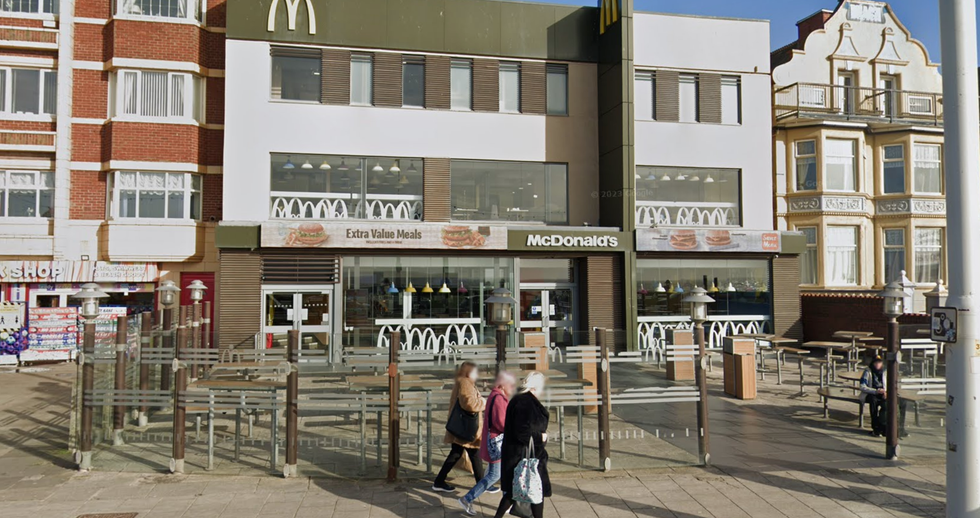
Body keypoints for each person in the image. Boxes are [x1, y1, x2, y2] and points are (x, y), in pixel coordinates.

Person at [493, 371, 551, 518]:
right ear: (535, 387)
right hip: (524, 456)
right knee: (535, 490)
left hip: (520, 455)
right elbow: (522, 432)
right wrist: (540, 437)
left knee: (516, 491)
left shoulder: (522, 400)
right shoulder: (525, 403)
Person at [458, 371, 517, 515]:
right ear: (502, 385)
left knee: (503, 473)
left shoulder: (496, 395)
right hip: (498, 442)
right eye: (510, 384)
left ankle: (507, 502)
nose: (512, 387)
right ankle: (467, 498)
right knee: (494, 475)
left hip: (495, 441)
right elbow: (500, 423)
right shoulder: (498, 399)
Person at [433, 362, 486, 492]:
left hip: (463, 427)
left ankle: (439, 481)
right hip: (467, 427)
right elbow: (468, 403)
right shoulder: (465, 383)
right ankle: (482, 484)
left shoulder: (464, 381)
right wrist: (483, 402)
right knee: (473, 453)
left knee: (457, 454)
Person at [861, 355, 908, 437]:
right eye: (876, 363)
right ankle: (875, 428)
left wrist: (886, 392)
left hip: (885, 393)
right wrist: (876, 391)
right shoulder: (867, 371)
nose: (877, 365)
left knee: (902, 402)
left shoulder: (886, 371)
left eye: (879, 363)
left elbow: (892, 385)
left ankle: (900, 428)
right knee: (873, 401)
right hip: (872, 393)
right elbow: (862, 386)